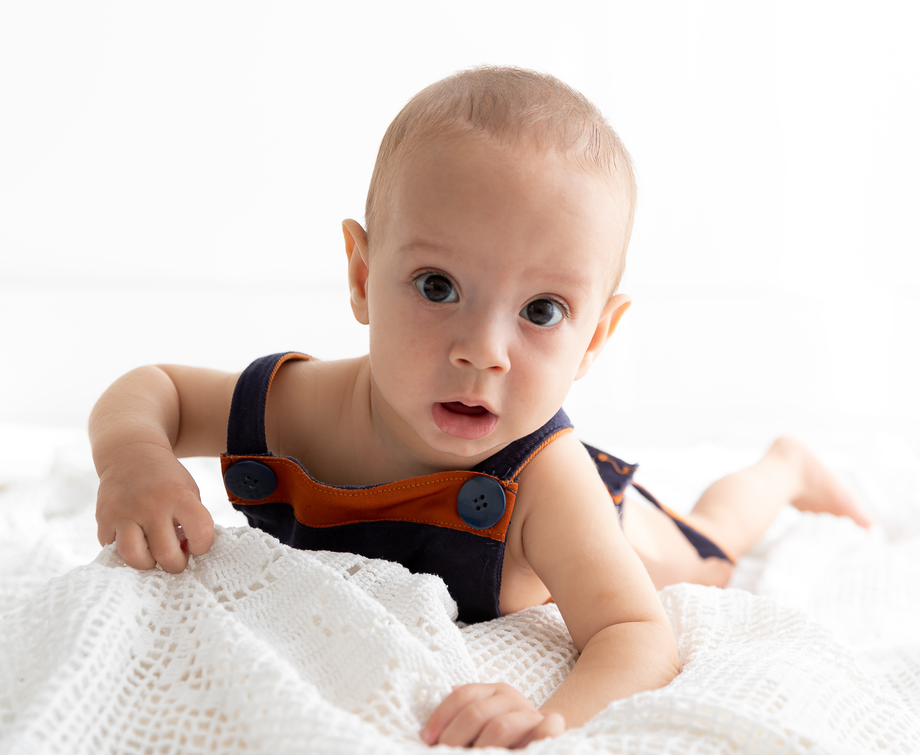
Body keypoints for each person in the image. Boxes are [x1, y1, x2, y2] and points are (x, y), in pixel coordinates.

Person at [90, 66, 872, 749]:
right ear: (362, 277)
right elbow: (155, 389)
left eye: (541, 311)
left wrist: (548, 717)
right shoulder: (297, 408)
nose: (483, 351)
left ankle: (783, 468)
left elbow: (637, 634)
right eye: (438, 287)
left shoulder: (548, 483)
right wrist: (136, 460)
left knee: (710, 548)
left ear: (595, 337)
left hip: (618, 525)